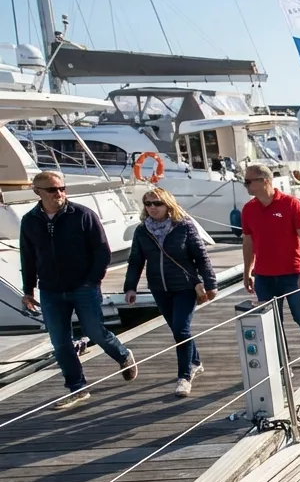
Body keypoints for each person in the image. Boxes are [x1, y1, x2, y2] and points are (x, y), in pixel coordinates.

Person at [20, 170, 138, 409]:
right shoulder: (30, 221)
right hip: (51, 290)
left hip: (84, 286)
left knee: (95, 332)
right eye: (52, 190)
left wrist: (92, 280)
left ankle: (123, 354)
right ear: (37, 192)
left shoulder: (83, 215)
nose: (59, 194)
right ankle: (77, 388)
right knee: (60, 342)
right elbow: (28, 257)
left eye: (62, 188)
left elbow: (102, 251)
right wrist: (28, 290)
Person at [123, 188, 217, 397]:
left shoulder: (183, 226)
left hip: (184, 286)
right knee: (177, 330)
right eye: (148, 204)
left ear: (168, 204)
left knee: (181, 330)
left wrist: (210, 283)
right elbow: (136, 260)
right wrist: (130, 287)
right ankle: (195, 362)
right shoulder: (142, 230)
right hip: (159, 288)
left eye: (157, 203)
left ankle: (184, 377)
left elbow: (201, 257)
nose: (152, 208)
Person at [240, 163, 300, 363]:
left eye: (248, 181)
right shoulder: (248, 209)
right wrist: (248, 271)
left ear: (265, 181)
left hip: (292, 273)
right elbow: (248, 241)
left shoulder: (290, 204)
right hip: (263, 276)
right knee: (272, 322)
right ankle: (282, 363)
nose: (245, 186)